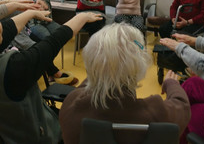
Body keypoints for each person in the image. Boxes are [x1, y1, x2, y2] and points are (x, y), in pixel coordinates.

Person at [0, 0, 103, 143]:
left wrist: (30, 13)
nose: (1, 25)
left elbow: (7, 29)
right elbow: (54, 41)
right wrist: (82, 17)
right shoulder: (13, 68)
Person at [59, 23, 191, 144]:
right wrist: (171, 84)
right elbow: (183, 106)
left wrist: (102, 69)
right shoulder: (157, 112)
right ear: (139, 65)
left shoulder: (71, 105)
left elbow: (87, 85)